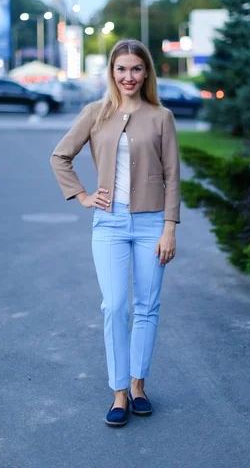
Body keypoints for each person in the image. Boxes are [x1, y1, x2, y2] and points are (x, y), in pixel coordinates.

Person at [50, 39, 180, 427]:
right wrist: (83, 195)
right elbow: (60, 156)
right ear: (111, 72)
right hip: (108, 222)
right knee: (114, 307)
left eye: (136, 69)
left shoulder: (161, 117)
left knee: (147, 306)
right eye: (121, 69)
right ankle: (118, 392)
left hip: (152, 222)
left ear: (146, 73)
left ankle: (138, 386)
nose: (128, 76)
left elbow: (173, 176)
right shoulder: (95, 113)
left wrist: (169, 228)